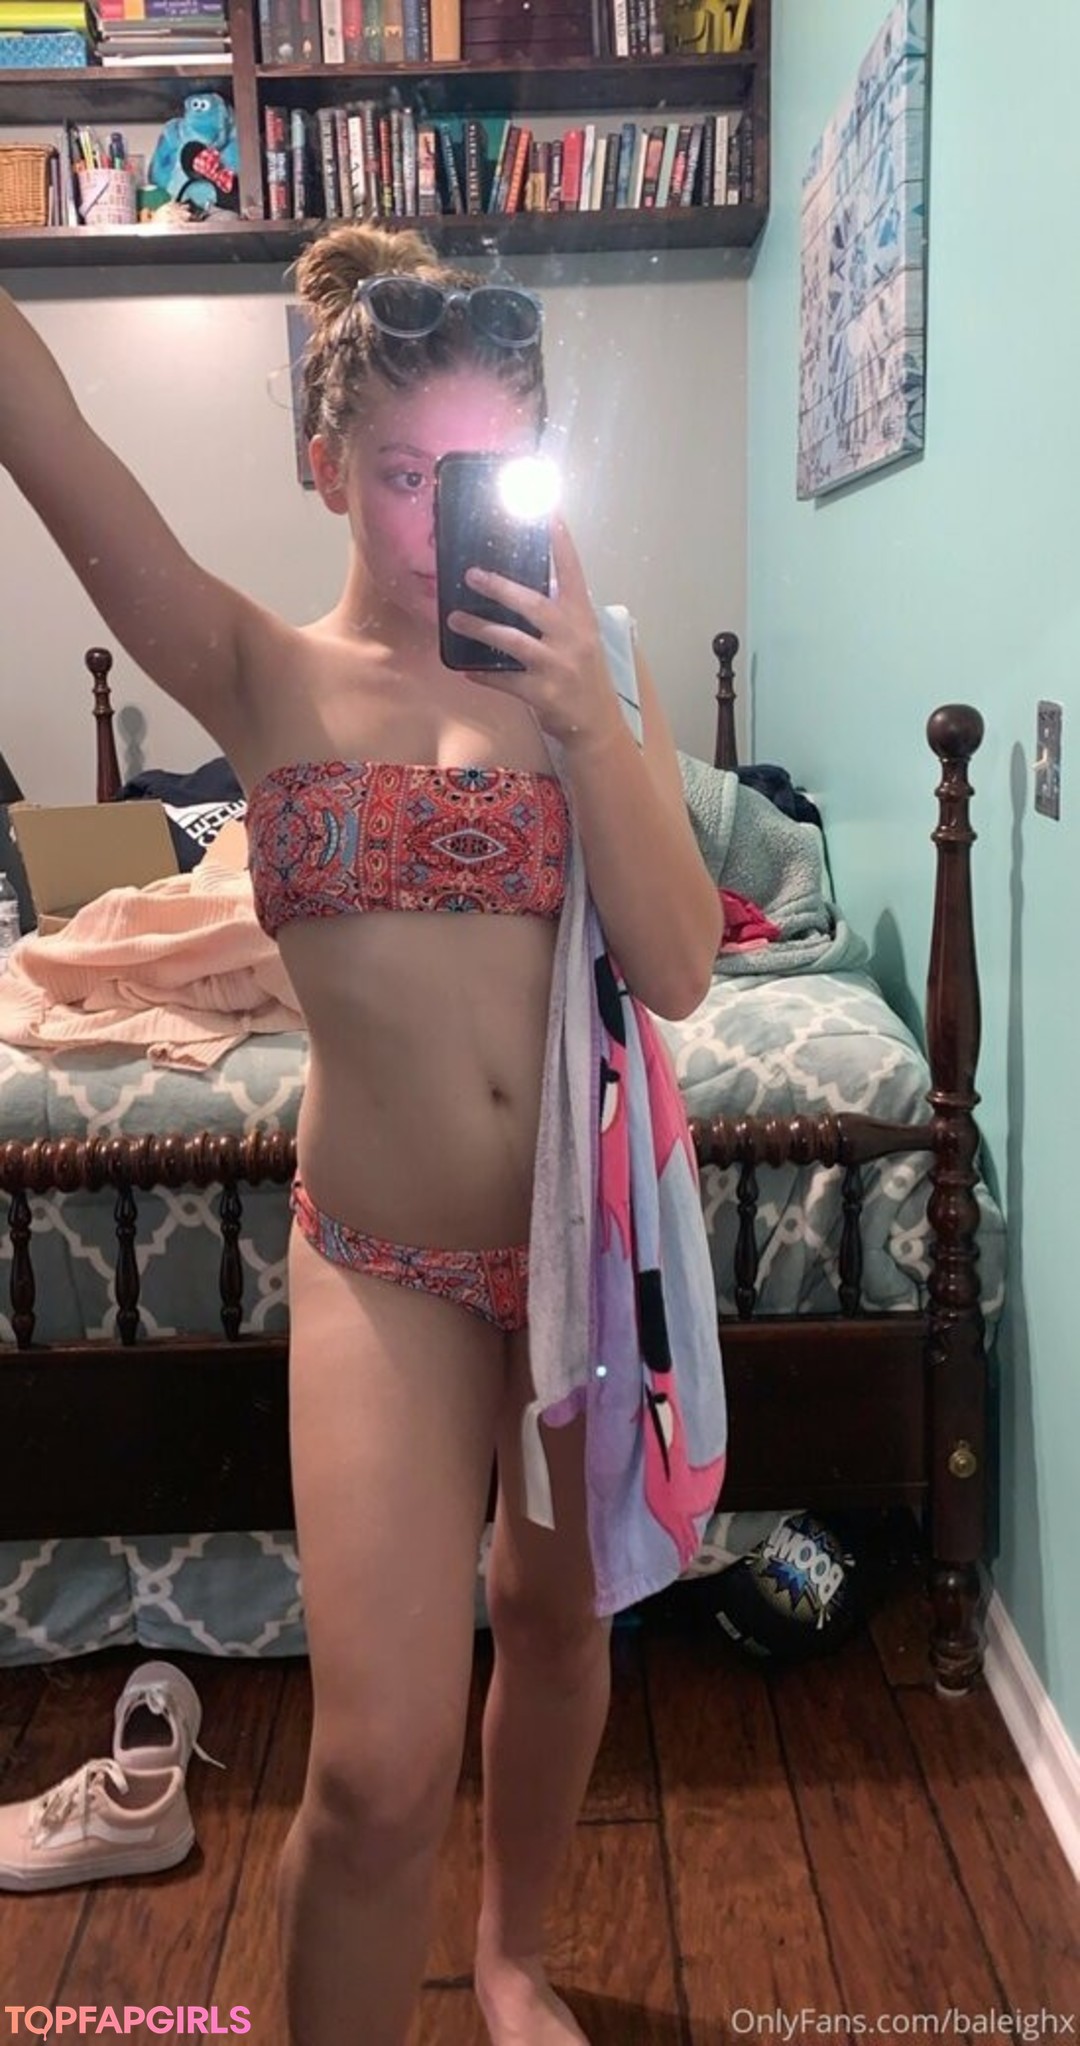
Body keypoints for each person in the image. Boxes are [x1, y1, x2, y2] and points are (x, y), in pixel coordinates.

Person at [0, 223, 724, 2046]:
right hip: (383, 1266)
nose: (435, 523)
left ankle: (512, 1955)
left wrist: (587, 719)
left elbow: (680, 965)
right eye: (403, 475)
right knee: (376, 1770)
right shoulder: (257, 672)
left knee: (556, 1626)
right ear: (323, 464)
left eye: (483, 471)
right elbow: (55, 441)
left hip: (570, 1254)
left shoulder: (590, 674)